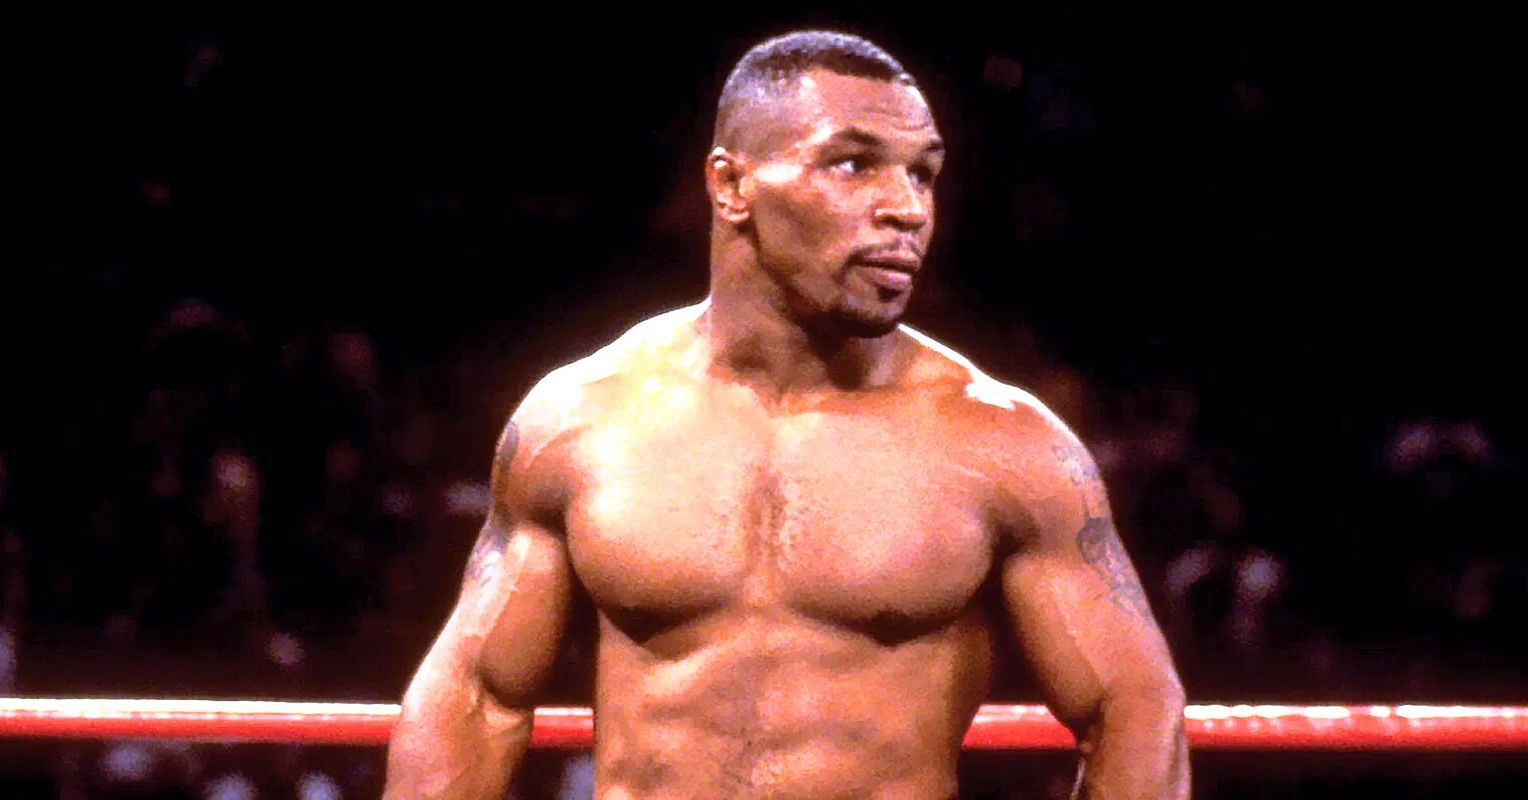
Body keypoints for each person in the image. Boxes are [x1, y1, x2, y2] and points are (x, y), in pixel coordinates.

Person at [384, 30, 1188, 799]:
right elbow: (476, 697)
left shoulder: (1008, 446)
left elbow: (1133, 708)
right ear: (731, 186)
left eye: (922, 173)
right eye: (853, 164)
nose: (906, 208)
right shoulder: (581, 421)